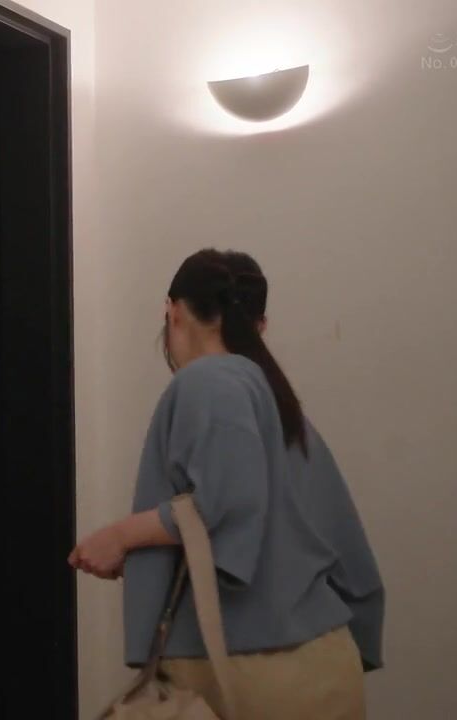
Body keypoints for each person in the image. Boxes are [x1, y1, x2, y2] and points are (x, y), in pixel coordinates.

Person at [69, 249, 383, 719]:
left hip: (244, 672)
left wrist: (121, 536)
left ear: (173, 311)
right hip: (324, 662)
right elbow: (349, 555)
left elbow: (226, 505)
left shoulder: (208, 381)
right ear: (261, 326)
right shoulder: (283, 410)